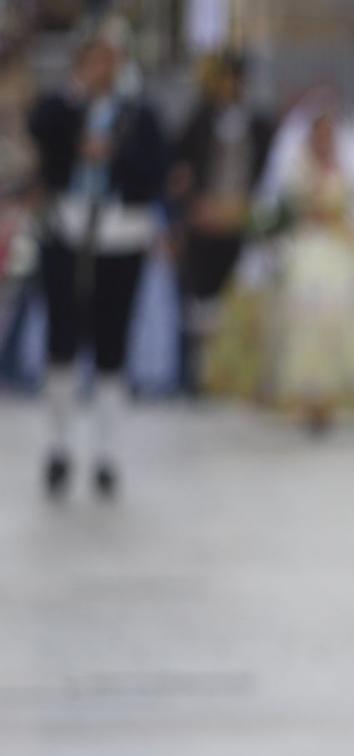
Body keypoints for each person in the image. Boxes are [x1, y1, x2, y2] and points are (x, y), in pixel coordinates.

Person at [27, 22, 169, 499]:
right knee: (62, 337)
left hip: (120, 235)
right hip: (67, 230)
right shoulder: (63, 108)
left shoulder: (138, 114)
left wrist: (113, 155)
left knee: (113, 344)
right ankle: (58, 444)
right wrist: (78, 118)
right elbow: (40, 130)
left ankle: (107, 452)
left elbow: (155, 173)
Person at [260, 104, 354, 431]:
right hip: (309, 244)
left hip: (342, 245)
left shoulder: (347, 166)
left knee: (348, 309)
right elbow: (286, 205)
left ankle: (339, 390)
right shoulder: (298, 167)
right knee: (307, 311)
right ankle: (310, 393)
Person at [168, 49, 273, 397]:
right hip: (205, 220)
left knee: (242, 300)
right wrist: (193, 205)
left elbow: (269, 176)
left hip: (244, 221)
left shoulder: (259, 124)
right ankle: (200, 376)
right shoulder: (197, 121)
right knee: (201, 303)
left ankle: (241, 376)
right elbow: (179, 171)